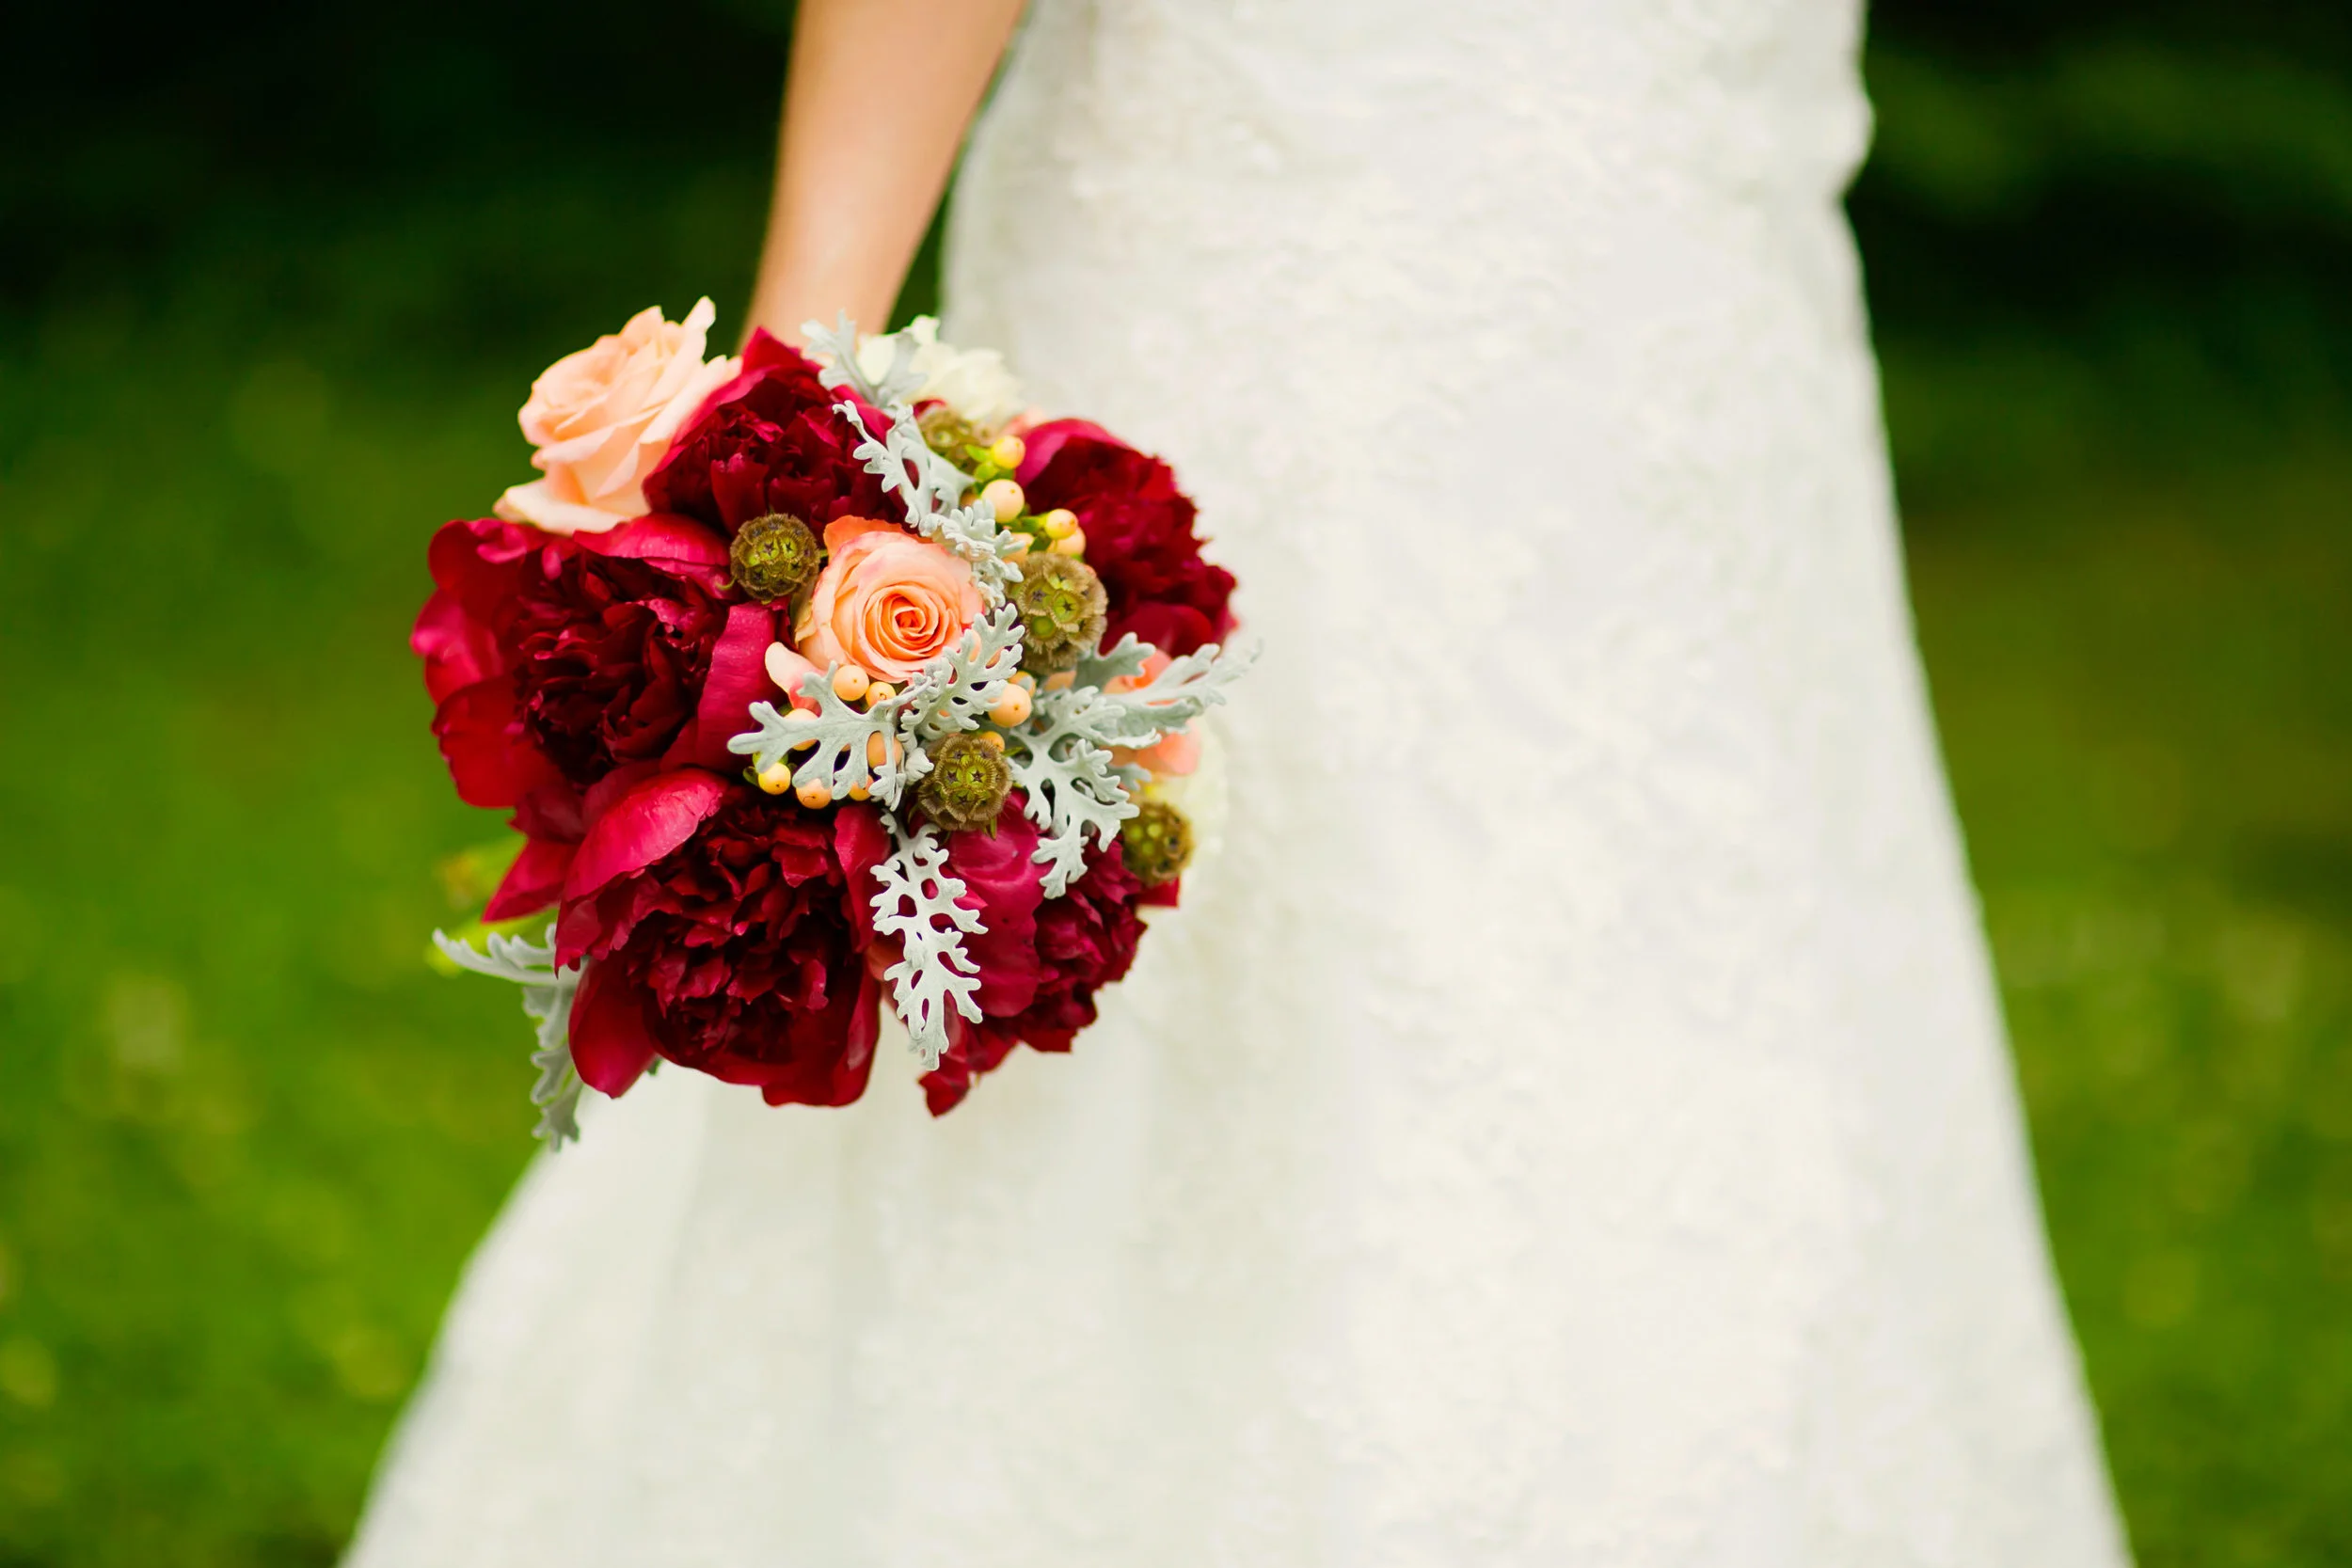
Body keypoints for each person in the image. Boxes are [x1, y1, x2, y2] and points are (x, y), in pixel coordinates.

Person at [346, 2, 2131, 1562]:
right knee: (1191, 946)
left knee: (1716, 983)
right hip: (1256, 269)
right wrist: (799, 438)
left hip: (1701, 352)